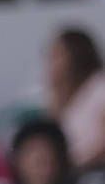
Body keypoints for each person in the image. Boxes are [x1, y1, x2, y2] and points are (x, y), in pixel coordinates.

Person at [44, 26, 105, 170]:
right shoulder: (60, 96)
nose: (51, 63)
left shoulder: (99, 87)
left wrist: (77, 166)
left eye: (57, 56)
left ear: (76, 56)